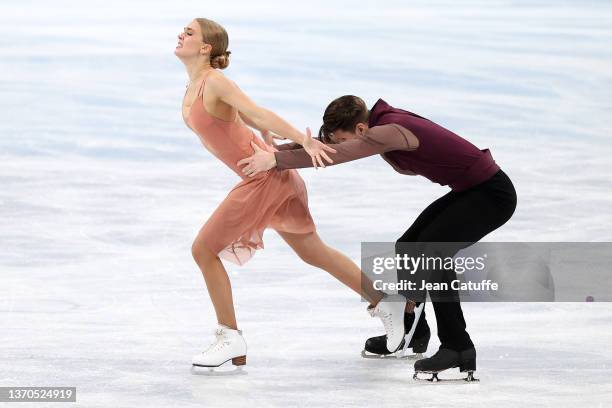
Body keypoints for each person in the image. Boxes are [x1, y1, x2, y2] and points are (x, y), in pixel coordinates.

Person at [174, 20, 406, 370]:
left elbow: (256, 110)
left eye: (189, 33)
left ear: (207, 47)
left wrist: (304, 139)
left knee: (203, 249)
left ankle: (229, 336)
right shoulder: (194, 84)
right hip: (273, 176)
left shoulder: (215, 82)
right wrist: (262, 133)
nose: (181, 35)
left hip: (265, 177)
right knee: (315, 252)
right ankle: (385, 301)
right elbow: (242, 116)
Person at [238, 95, 517, 378]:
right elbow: (332, 146)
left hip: (491, 196)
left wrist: (275, 160)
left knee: (432, 252)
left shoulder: (389, 130)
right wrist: (276, 150)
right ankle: (411, 332)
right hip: (471, 191)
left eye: (347, 138)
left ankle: (457, 346)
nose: (345, 143)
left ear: (360, 129)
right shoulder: (374, 125)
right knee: (409, 247)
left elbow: (337, 155)